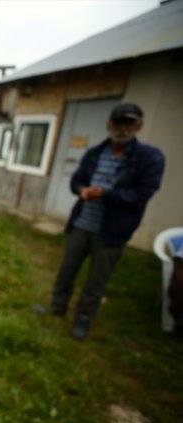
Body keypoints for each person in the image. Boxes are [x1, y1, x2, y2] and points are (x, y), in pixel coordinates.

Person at [37, 103, 165, 340]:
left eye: (129, 123)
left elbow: (141, 194)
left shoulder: (149, 158)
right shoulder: (94, 153)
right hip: (82, 224)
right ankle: (57, 307)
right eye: (119, 123)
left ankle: (82, 322)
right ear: (109, 125)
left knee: (96, 281)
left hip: (112, 232)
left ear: (138, 125)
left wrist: (105, 195)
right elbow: (76, 181)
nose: (123, 129)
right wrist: (82, 190)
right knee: (66, 271)